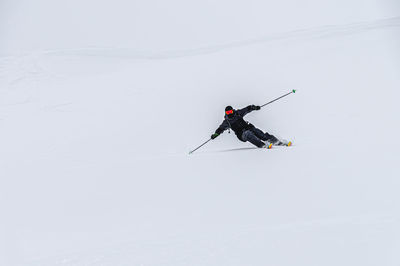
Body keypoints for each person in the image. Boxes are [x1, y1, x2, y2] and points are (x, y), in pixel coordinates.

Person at [211, 105, 291, 148]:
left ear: (233, 110)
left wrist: (253, 107)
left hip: (248, 127)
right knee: (248, 134)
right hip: (241, 134)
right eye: (228, 112)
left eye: (231, 111)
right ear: (226, 113)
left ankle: (276, 141)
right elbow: (220, 129)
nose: (230, 113)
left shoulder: (238, 113)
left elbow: (246, 109)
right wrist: (216, 134)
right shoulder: (227, 121)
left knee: (258, 132)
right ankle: (262, 145)